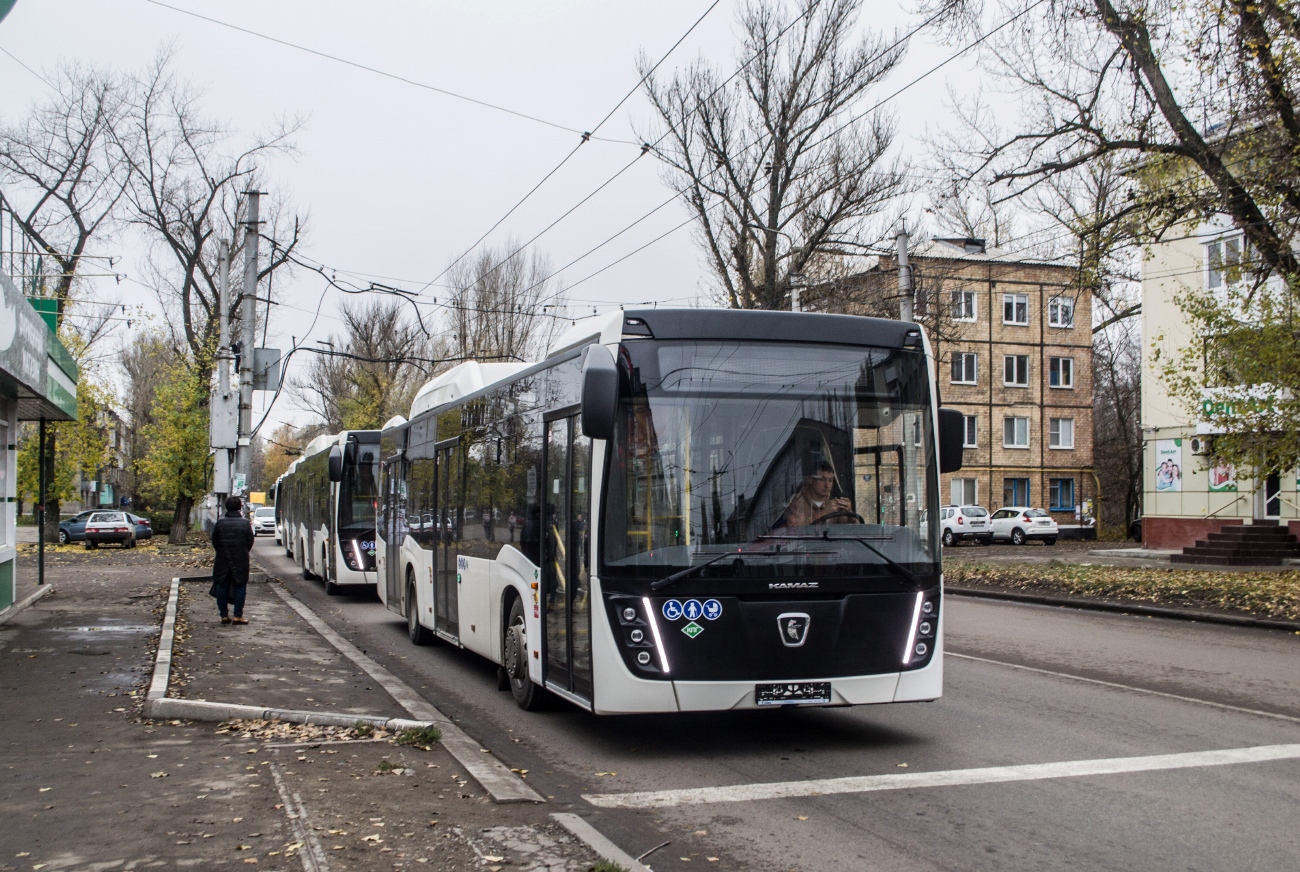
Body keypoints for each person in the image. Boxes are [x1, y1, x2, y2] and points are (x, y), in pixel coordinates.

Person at [209, 495, 255, 625]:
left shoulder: (220, 522)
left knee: (221, 585)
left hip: (222, 559)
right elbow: (250, 541)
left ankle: (224, 615)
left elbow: (215, 541)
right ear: (240, 507)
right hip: (240, 559)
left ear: (226, 507)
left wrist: (222, 551)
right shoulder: (245, 523)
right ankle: (238, 615)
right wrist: (242, 551)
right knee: (240, 586)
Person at [780, 462, 852, 527]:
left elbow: (849, 531)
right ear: (810, 479)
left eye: (830, 480)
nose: (827, 485)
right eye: (821, 479)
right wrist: (823, 512)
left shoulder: (834, 503)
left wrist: (850, 513)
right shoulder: (797, 501)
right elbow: (795, 529)